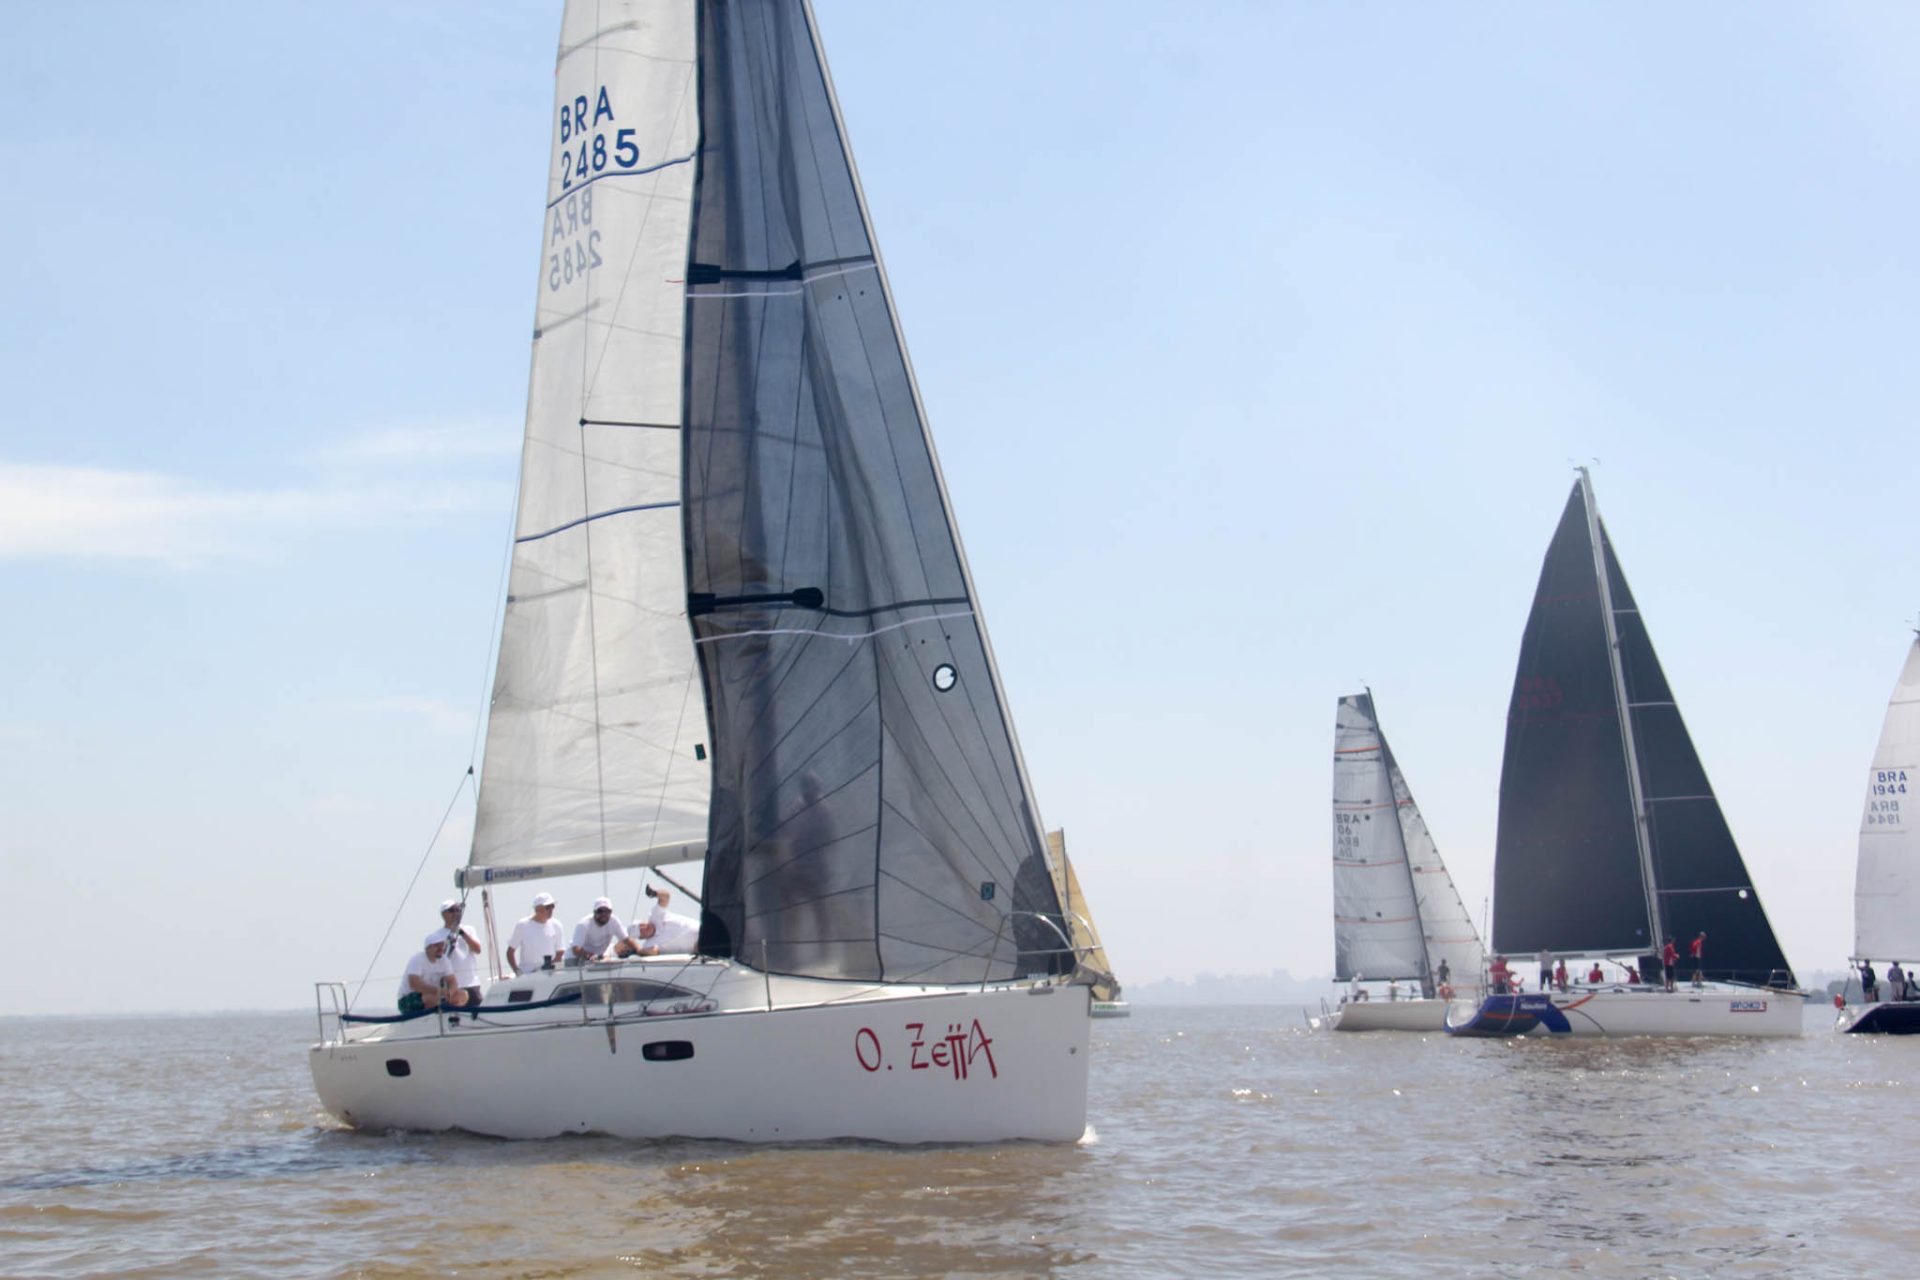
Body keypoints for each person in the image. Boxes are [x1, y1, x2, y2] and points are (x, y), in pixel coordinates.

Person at [398, 931, 467, 1015]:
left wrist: (450, 993)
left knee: (463, 995)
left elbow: (452, 980)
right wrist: (438, 991)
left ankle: (449, 1015)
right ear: (428, 948)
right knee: (430, 999)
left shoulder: (444, 960)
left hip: (436, 995)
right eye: (436, 945)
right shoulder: (417, 959)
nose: (440, 948)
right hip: (408, 998)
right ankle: (435, 1015)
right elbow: (414, 984)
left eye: (442, 945)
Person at [438, 899, 485, 1006]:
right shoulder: (437, 936)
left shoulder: (469, 929)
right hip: (451, 987)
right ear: (443, 914)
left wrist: (462, 934)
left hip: (471, 983)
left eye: (458, 910)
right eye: (451, 910)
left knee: (477, 1011)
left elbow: (477, 950)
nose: (455, 913)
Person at [507, 892, 565, 975]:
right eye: (547, 907)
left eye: (552, 906)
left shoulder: (557, 925)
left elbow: (560, 952)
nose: (551, 910)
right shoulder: (523, 925)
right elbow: (510, 952)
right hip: (528, 974)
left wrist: (548, 967)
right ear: (537, 909)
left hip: (550, 974)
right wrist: (517, 971)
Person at [571, 897, 643, 963]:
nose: (603, 914)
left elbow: (627, 940)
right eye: (600, 911)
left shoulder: (614, 921)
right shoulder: (583, 924)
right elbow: (576, 949)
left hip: (599, 960)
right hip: (577, 959)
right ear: (594, 912)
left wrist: (640, 951)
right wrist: (591, 956)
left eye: (607, 911)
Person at [635, 886, 700, 956]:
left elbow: (666, 897)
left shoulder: (655, 914)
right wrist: (638, 950)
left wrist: (654, 893)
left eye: (641, 925)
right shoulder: (648, 944)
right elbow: (654, 951)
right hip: (699, 948)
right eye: (641, 931)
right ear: (641, 938)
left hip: (703, 929)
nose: (644, 928)